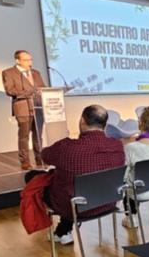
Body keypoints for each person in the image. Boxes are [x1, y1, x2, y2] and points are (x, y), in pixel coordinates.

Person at [40, 105, 125, 245]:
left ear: (82, 121)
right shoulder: (117, 146)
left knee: (37, 179)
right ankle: (62, 231)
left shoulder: (67, 148)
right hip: (107, 202)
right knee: (70, 183)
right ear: (105, 124)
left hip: (75, 207)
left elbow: (45, 156)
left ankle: (62, 231)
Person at [2, 50, 46, 169]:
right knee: (24, 136)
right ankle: (25, 161)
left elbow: (42, 88)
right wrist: (28, 92)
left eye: (31, 59)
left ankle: (40, 159)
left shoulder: (35, 73)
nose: (30, 62)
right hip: (23, 108)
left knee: (38, 136)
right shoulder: (9, 73)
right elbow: (10, 90)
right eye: (26, 60)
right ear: (17, 60)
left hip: (38, 107)